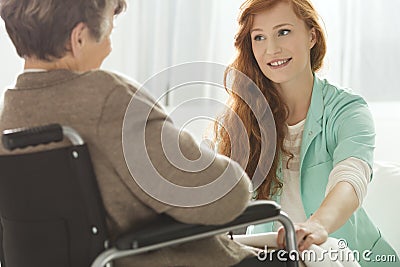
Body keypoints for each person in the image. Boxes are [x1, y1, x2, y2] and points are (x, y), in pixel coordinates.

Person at [0, 0, 279, 266]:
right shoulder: (106, 98)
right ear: (79, 38)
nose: (109, 47)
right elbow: (225, 197)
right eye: (108, 32)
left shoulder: (9, 120)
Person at [214, 0, 399, 266]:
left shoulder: (348, 109)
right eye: (259, 37)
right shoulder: (243, 119)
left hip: (350, 258)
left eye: (284, 32)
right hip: (276, 259)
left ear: (312, 35)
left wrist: (317, 226)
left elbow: (351, 176)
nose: (271, 48)